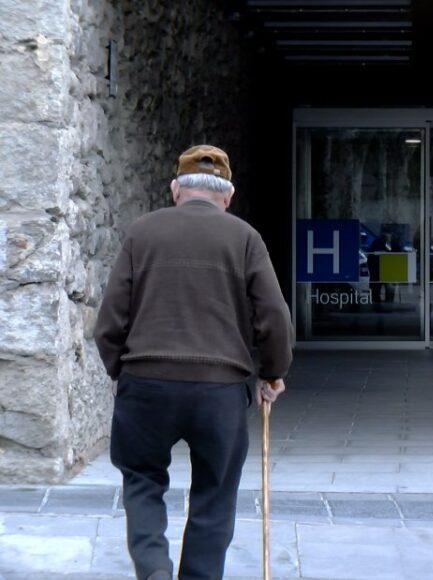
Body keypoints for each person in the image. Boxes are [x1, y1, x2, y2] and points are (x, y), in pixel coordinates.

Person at [94, 145, 293, 580]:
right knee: (215, 492)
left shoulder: (142, 233)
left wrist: (121, 371)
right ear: (229, 194)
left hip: (146, 382)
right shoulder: (245, 237)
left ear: (175, 189)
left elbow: (110, 319)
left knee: (142, 481)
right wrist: (272, 372)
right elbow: (274, 316)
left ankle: (154, 569)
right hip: (220, 389)